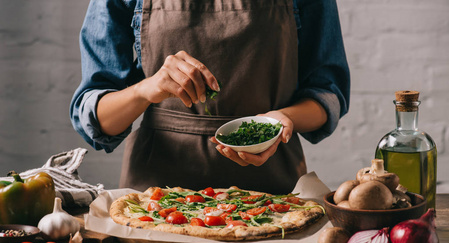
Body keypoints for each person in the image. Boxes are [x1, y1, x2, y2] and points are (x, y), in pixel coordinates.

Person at [70, 0, 350, 194]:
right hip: (155, 199)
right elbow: (96, 119)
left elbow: (328, 93)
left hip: (274, 192)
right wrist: (146, 89)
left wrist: (283, 119)